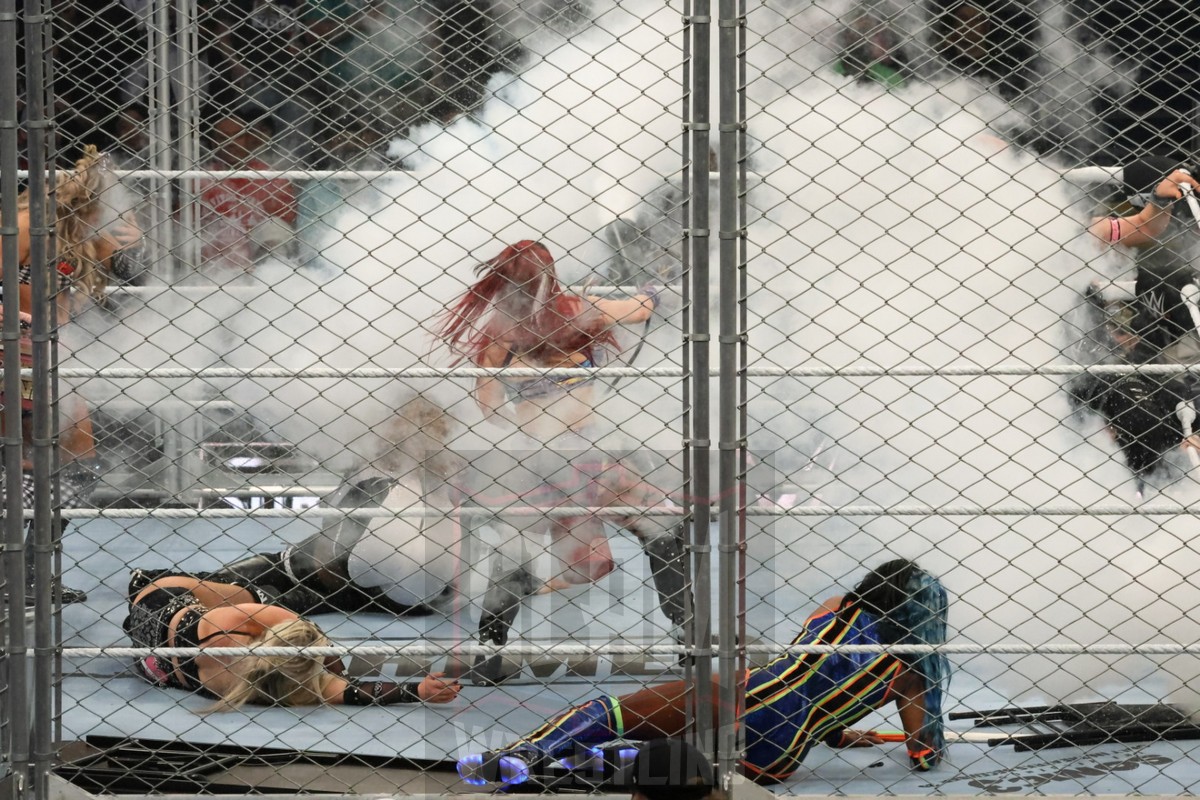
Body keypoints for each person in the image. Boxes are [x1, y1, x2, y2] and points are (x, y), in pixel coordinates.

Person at [432, 240, 689, 683]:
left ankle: (488, 653)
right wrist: (657, 287)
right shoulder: (576, 309)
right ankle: (689, 639)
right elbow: (642, 308)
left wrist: (528, 417)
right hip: (583, 455)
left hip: (543, 457)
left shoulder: (499, 331)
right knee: (661, 529)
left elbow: (489, 406)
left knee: (518, 550)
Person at [457, 558, 949, 785]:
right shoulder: (916, 673)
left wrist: (839, 729)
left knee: (605, 713)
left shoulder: (837, 607)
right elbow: (923, 751)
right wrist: (850, 734)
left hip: (745, 697)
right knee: (684, 768)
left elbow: (815, 673)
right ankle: (572, 771)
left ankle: (528, 755)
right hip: (782, 752)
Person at [4, 145, 142, 603]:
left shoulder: (89, 237)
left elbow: (135, 280)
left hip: (49, 357)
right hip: (10, 350)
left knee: (77, 457)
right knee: (22, 454)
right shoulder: (25, 228)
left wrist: (131, 247)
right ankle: (17, 573)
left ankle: (30, 569)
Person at [123, 573, 462, 708]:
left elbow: (351, 686)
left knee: (258, 596)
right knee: (273, 599)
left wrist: (331, 659)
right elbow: (352, 689)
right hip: (150, 657)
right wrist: (417, 691)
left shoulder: (227, 629)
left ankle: (141, 580)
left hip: (156, 602)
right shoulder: (283, 688)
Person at [198, 106, 298, 272]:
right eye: (222, 137)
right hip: (211, 263)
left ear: (249, 139)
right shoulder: (200, 179)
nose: (229, 143)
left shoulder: (272, 178)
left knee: (275, 228)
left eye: (237, 137)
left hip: (258, 263)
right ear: (212, 142)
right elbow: (184, 224)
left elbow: (282, 228)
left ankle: (270, 277)